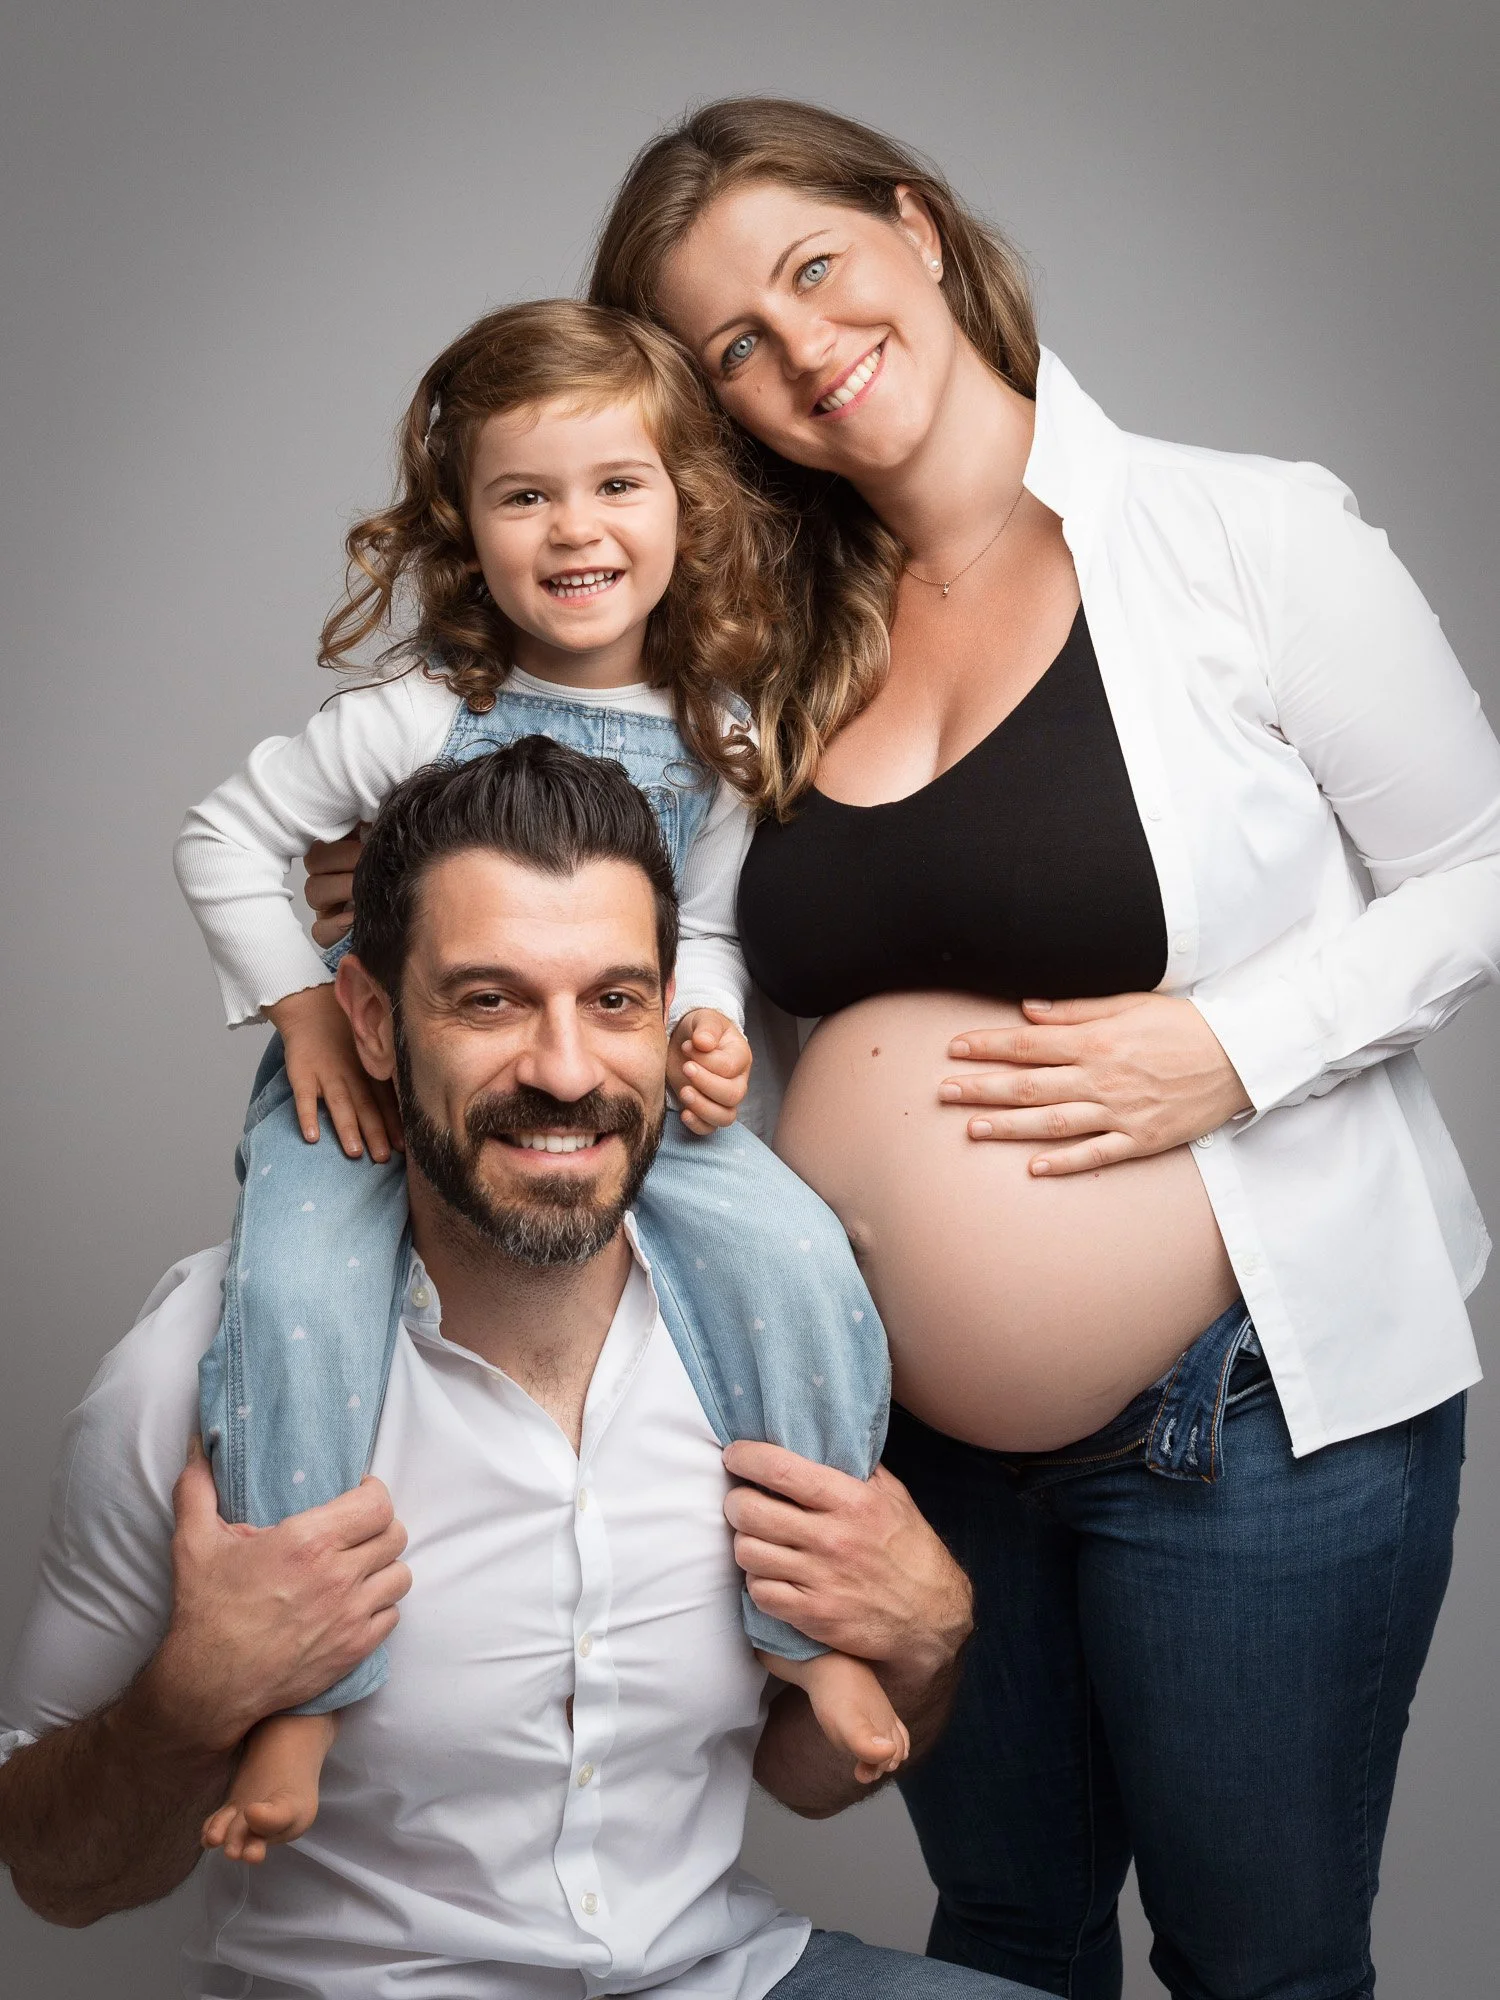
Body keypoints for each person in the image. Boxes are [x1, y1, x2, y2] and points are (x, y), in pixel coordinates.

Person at [515, 95, 1500, 2000]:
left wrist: (1234, 1046)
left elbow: (1481, 866)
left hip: (1247, 1423)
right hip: (907, 1442)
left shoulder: (1245, 535)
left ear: (919, 231)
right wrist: (691, 1027)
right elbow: (708, 921)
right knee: (1007, 1949)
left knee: (1258, 1967)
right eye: (734, 343)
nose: (802, 348)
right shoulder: (773, 639)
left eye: (816, 269)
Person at [0, 740, 1044, 2000]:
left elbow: (801, 1776)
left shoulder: (764, 1338)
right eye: (488, 1001)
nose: (563, 1070)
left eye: (615, 1001)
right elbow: (55, 1872)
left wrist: (927, 1646)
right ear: (375, 1021)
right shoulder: (203, 1371)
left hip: (726, 1975)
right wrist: (187, 1705)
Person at [172, 301, 899, 1863]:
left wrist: (702, 1026)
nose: (576, 528)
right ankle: (308, 1685)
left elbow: (701, 923)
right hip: (380, 1089)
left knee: (798, 1255)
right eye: (526, 496)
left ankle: (808, 1628)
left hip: (618, 1095)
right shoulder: (422, 713)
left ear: (683, 509)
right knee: (293, 1298)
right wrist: (303, 1012)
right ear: (466, 528)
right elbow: (223, 834)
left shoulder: (713, 735)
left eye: (616, 486)